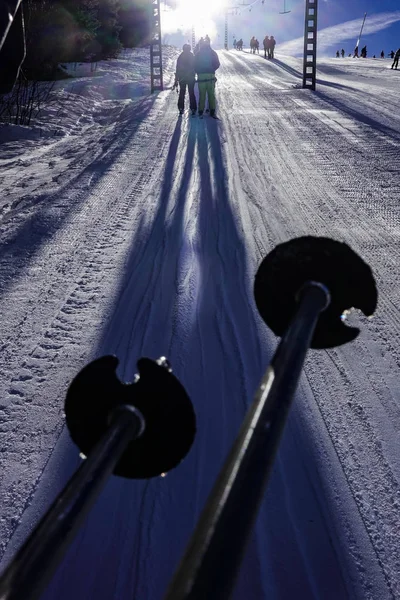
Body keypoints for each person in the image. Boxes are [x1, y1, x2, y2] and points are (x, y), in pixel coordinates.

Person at [194, 37, 220, 118]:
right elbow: (217, 64)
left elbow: (194, 65)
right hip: (210, 76)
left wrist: (198, 71)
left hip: (201, 76)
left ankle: (201, 111)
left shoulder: (198, 53)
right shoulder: (213, 53)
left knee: (202, 95)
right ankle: (212, 111)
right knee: (211, 94)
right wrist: (212, 69)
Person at [174, 44, 197, 116]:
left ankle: (181, 108)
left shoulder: (180, 57)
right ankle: (193, 108)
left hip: (182, 78)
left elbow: (177, 68)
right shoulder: (192, 56)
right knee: (191, 93)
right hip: (190, 78)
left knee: (182, 92)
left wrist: (176, 79)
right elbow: (195, 67)